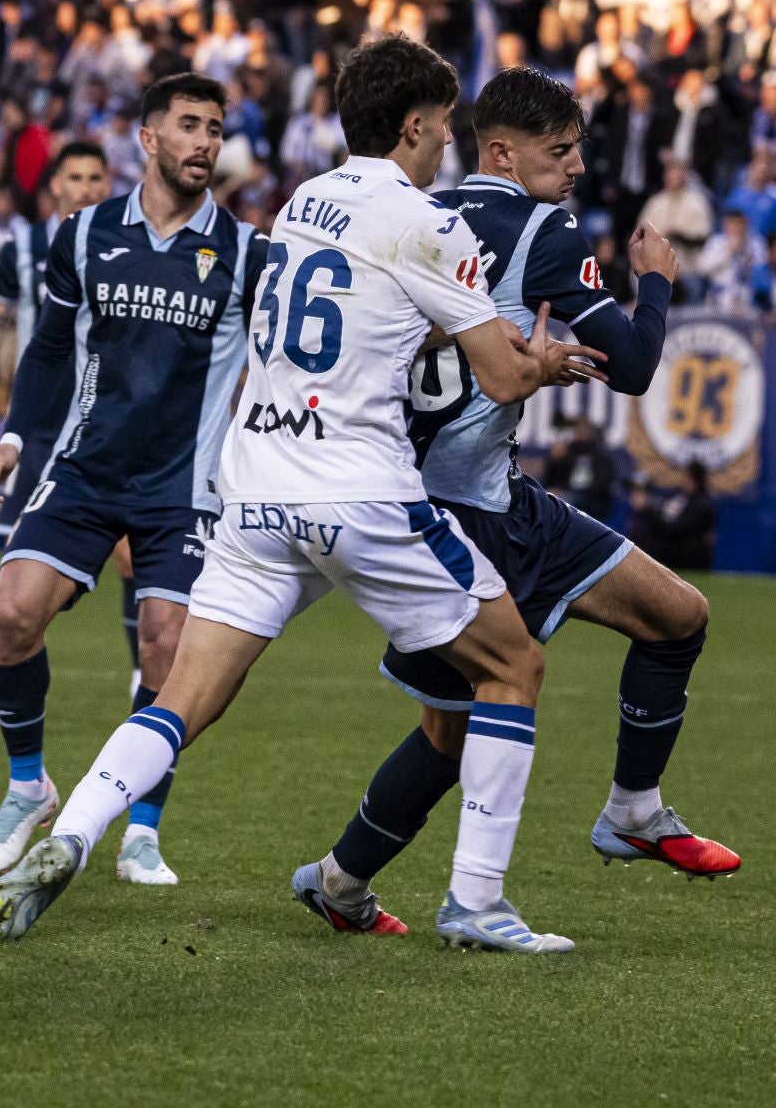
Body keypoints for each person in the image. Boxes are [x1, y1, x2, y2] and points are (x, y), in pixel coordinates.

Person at [0, 36, 606, 953]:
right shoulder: (429, 221)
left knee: (180, 698)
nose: (447, 145)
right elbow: (502, 378)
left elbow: (358, 328)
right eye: (443, 127)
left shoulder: (306, 201)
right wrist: (539, 360)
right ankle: (476, 903)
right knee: (512, 667)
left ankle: (71, 834)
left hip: (256, 490)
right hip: (360, 495)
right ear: (417, 125)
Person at [289, 66, 735, 939]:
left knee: (463, 727)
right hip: (475, 516)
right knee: (497, 707)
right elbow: (636, 369)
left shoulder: (421, 212)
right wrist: (656, 281)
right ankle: (489, 880)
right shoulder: (543, 230)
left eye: (578, 150)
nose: (575, 167)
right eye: (558, 151)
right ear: (502, 151)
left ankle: (343, 880)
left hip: (434, 501)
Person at [0, 74, 265, 887]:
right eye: (189, 125)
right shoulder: (85, 233)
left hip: (184, 487)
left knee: (167, 651)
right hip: (85, 468)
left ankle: (142, 829)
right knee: (13, 611)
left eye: (215, 128)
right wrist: (16, 436)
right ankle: (29, 784)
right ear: (149, 138)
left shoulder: (242, 251)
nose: (205, 141)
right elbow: (52, 348)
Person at [0, 143, 142, 727]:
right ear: (53, 185)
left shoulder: (125, 246)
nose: (84, 187)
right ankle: (10, 694)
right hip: (36, 427)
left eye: (94, 177)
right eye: (74, 177)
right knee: (17, 563)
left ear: (108, 183)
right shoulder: (25, 247)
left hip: (104, 418)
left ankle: (141, 674)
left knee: (130, 555)